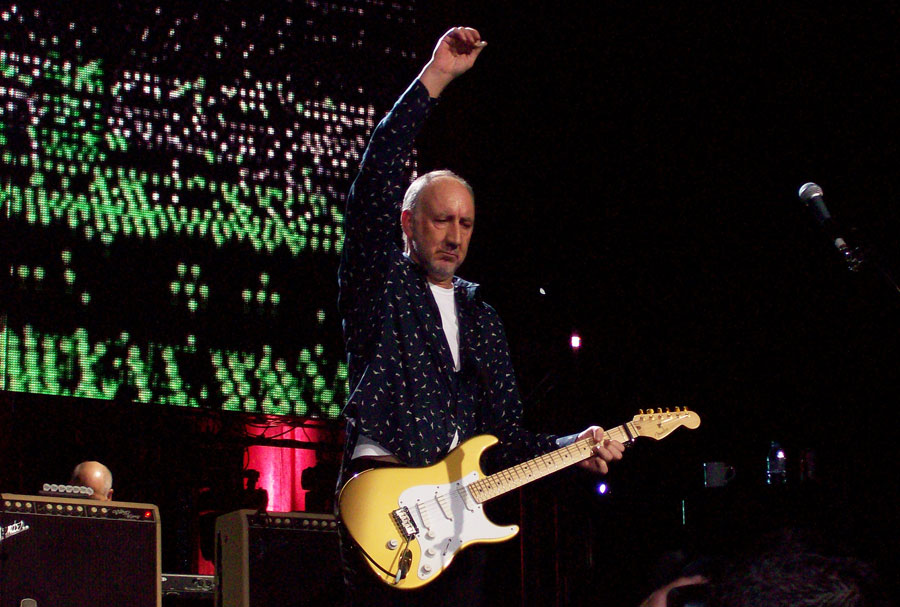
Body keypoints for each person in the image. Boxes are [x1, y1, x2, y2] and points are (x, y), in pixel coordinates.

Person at [336, 26, 624, 606]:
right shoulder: (381, 285)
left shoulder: (482, 318)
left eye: (465, 224)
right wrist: (436, 77)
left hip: (457, 530)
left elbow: (508, 439)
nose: (454, 236)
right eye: (441, 220)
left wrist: (576, 446)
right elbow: (374, 181)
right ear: (407, 224)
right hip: (385, 511)